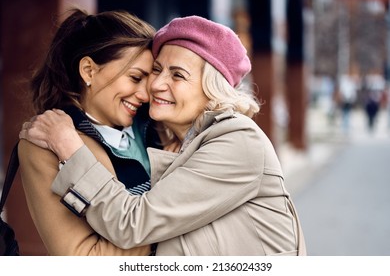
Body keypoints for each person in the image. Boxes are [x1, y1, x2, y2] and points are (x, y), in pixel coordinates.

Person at [20, 15, 306, 256]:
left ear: (212, 88)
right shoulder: (178, 141)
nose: (154, 85)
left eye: (177, 75)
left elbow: (134, 222)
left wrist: (71, 149)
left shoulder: (237, 141)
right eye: (153, 71)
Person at [17, 8, 160, 255]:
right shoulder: (44, 147)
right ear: (89, 71)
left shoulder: (162, 127)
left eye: (150, 82)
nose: (146, 95)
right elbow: (83, 259)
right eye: (136, 78)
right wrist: (173, 220)